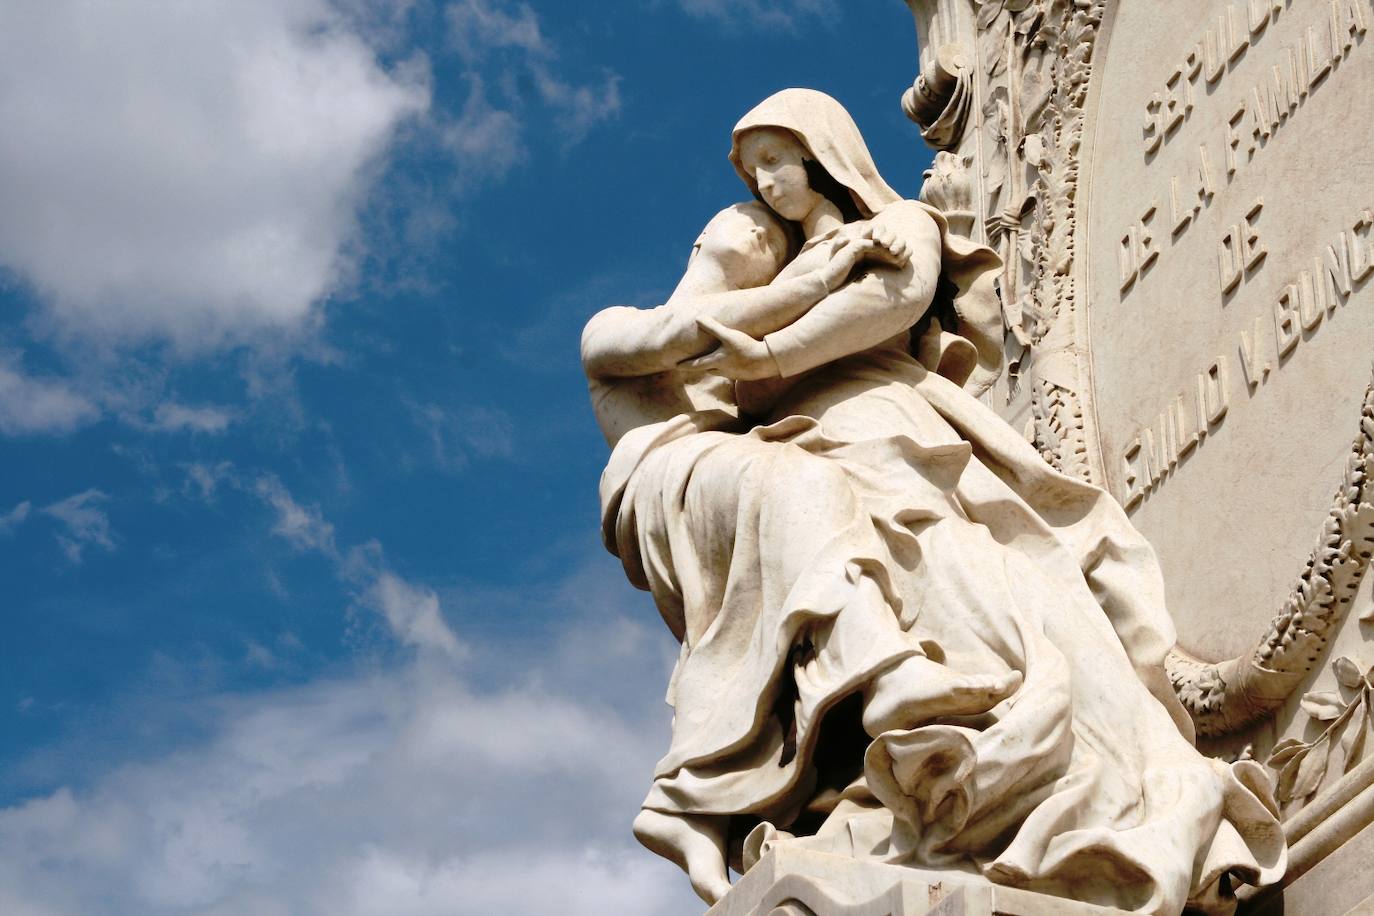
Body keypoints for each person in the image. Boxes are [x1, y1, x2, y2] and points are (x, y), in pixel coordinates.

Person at [587, 89, 1287, 915]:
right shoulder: (779, 279)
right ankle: (894, 747)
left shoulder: (898, 226)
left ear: (823, 152)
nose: (766, 183)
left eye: (777, 158)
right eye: (754, 171)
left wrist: (767, 354)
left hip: (889, 421)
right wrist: (780, 320)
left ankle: (1015, 771)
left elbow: (886, 303)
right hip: (808, 437)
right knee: (860, 564)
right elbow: (683, 347)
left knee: (984, 587)